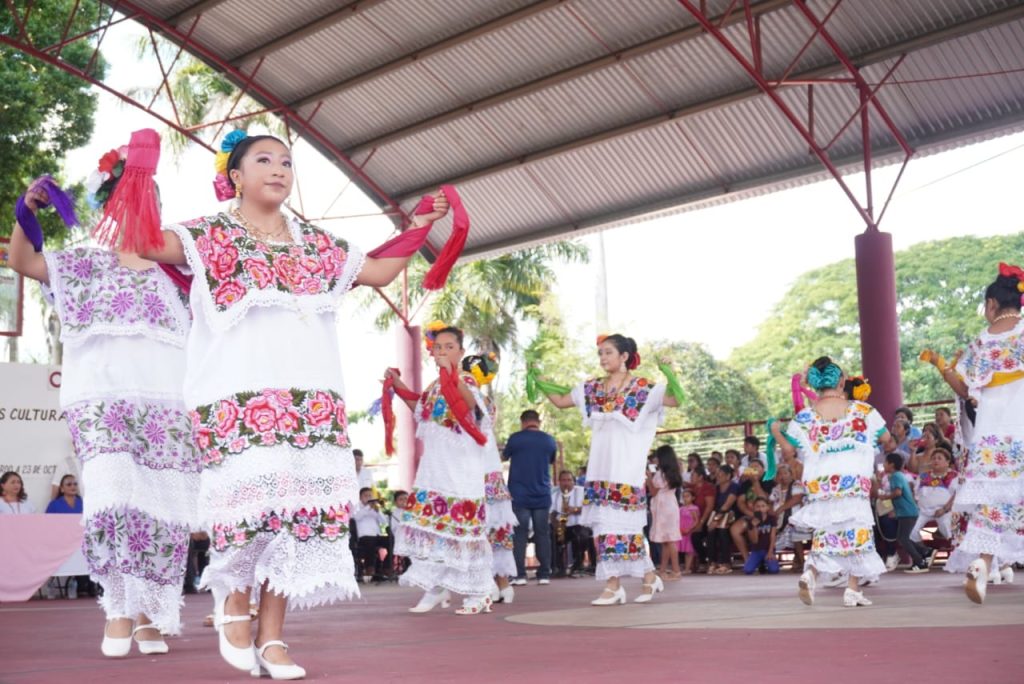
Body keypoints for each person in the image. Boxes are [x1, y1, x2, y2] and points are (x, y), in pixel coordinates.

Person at [142, 129, 452, 677]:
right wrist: (138, 176)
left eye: (286, 161)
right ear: (234, 176)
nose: (279, 168)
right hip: (233, 394)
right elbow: (142, 246)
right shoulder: (207, 234)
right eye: (264, 159)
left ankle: (274, 636)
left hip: (311, 397)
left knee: (296, 517)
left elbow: (378, 270)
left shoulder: (317, 244)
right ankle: (234, 598)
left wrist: (421, 226)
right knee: (248, 510)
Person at [7, 134, 200, 657]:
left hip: (168, 405)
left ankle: (150, 615)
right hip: (100, 400)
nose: (144, 205)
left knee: (161, 513)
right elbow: (25, 262)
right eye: (133, 196)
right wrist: (26, 209)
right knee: (113, 497)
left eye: (152, 198)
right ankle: (117, 607)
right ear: (109, 205)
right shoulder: (81, 265)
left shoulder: (180, 273)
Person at [537, 334, 682, 605]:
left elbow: (675, 399)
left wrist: (669, 371)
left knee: (627, 530)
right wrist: (537, 377)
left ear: (624, 356)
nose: (603, 358)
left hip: (626, 470)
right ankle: (617, 584)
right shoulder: (591, 389)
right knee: (603, 528)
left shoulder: (642, 389)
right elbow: (559, 400)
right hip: (600, 470)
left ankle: (645, 578)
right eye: (600, 353)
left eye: (608, 352)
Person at [385, 325, 494, 615]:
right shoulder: (435, 386)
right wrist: (397, 385)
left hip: (461, 471)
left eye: (449, 346)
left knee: (463, 534)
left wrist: (452, 375)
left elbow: (470, 407)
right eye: (438, 347)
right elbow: (419, 407)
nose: (442, 351)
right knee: (431, 529)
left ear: (460, 351)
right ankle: (436, 587)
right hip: (435, 469)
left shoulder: (467, 380)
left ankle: (479, 592)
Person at [770, 356, 894, 608]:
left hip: (822, 485)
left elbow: (788, 452)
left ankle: (811, 573)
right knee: (858, 531)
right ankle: (852, 589)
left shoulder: (805, 417)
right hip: (854, 481)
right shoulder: (863, 411)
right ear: (841, 382)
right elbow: (887, 439)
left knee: (825, 532)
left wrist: (774, 431)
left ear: (816, 384)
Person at [939, 263, 1024, 603]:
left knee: (995, 505)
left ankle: (982, 563)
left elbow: (964, 388)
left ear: (991, 305)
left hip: (992, 440)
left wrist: (946, 370)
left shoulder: (980, 343)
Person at [461, 353, 517, 604]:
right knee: (493, 530)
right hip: (487, 468)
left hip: (478, 470)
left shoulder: (471, 399)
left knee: (484, 531)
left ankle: (492, 583)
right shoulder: (486, 401)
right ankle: (501, 585)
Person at [502, 409, 557, 586]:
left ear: (523, 421)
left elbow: (505, 456)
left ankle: (519, 575)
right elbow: (551, 460)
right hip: (542, 494)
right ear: (537, 422)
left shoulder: (515, 439)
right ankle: (544, 574)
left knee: (520, 535)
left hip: (519, 494)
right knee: (542, 533)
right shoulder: (549, 440)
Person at [876, 453, 932, 574]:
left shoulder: (895, 476)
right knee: (902, 538)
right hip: (906, 511)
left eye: (885, 463)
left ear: (891, 464)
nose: (884, 465)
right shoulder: (897, 475)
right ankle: (925, 551)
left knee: (903, 539)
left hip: (907, 512)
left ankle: (919, 562)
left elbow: (897, 493)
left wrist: (884, 497)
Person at [646, 445, 683, 580]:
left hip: (663, 507)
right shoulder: (672, 471)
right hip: (669, 505)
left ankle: (676, 571)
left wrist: (649, 478)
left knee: (670, 540)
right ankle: (663, 570)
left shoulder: (661, 473)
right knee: (666, 540)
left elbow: (654, 491)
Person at [910, 447, 958, 543]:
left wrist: (944, 509)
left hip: (944, 511)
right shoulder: (923, 476)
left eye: (939, 458)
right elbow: (915, 495)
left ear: (947, 462)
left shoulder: (953, 476)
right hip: (923, 511)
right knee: (911, 530)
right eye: (934, 458)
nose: (936, 460)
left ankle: (952, 549)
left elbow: (956, 496)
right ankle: (921, 551)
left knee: (947, 527)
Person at [550, 470, 585, 579]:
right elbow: (552, 513)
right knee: (552, 537)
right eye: (564, 480)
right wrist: (557, 526)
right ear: (559, 482)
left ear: (573, 482)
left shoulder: (581, 491)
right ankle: (560, 568)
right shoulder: (554, 495)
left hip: (579, 524)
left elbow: (588, 508)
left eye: (569, 480)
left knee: (580, 536)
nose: (566, 483)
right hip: (562, 524)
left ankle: (577, 566)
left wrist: (573, 509)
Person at [706, 465, 739, 575]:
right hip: (717, 512)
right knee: (710, 532)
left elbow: (727, 505)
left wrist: (716, 519)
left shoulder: (734, 486)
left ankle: (726, 563)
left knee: (722, 531)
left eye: (720, 475)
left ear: (728, 476)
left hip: (730, 513)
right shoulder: (716, 488)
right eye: (717, 475)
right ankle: (712, 562)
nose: (718, 477)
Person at [352, 488, 389, 582]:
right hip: (362, 537)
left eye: (370, 495)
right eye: (366, 495)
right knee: (370, 541)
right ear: (360, 497)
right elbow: (356, 518)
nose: (369, 497)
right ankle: (370, 568)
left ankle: (386, 568)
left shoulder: (375, 508)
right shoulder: (356, 507)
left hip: (376, 535)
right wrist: (368, 507)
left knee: (390, 540)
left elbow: (384, 522)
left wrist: (378, 511)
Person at [742, 497, 780, 575]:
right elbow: (754, 540)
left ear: (767, 507)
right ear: (754, 508)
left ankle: (765, 563)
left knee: (774, 570)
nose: (760, 509)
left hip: (768, 549)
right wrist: (754, 527)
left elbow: (773, 536)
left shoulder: (772, 519)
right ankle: (760, 562)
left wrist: (770, 552)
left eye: (763, 506)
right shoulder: (751, 521)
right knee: (747, 570)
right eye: (758, 506)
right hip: (757, 550)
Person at [677, 488, 700, 574]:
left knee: (689, 550)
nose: (685, 498)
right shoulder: (681, 508)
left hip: (688, 531)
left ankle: (687, 568)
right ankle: (681, 567)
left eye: (687, 496)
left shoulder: (693, 508)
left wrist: (689, 529)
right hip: (681, 530)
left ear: (693, 498)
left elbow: (696, 520)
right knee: (679, 548)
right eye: (684, 497)